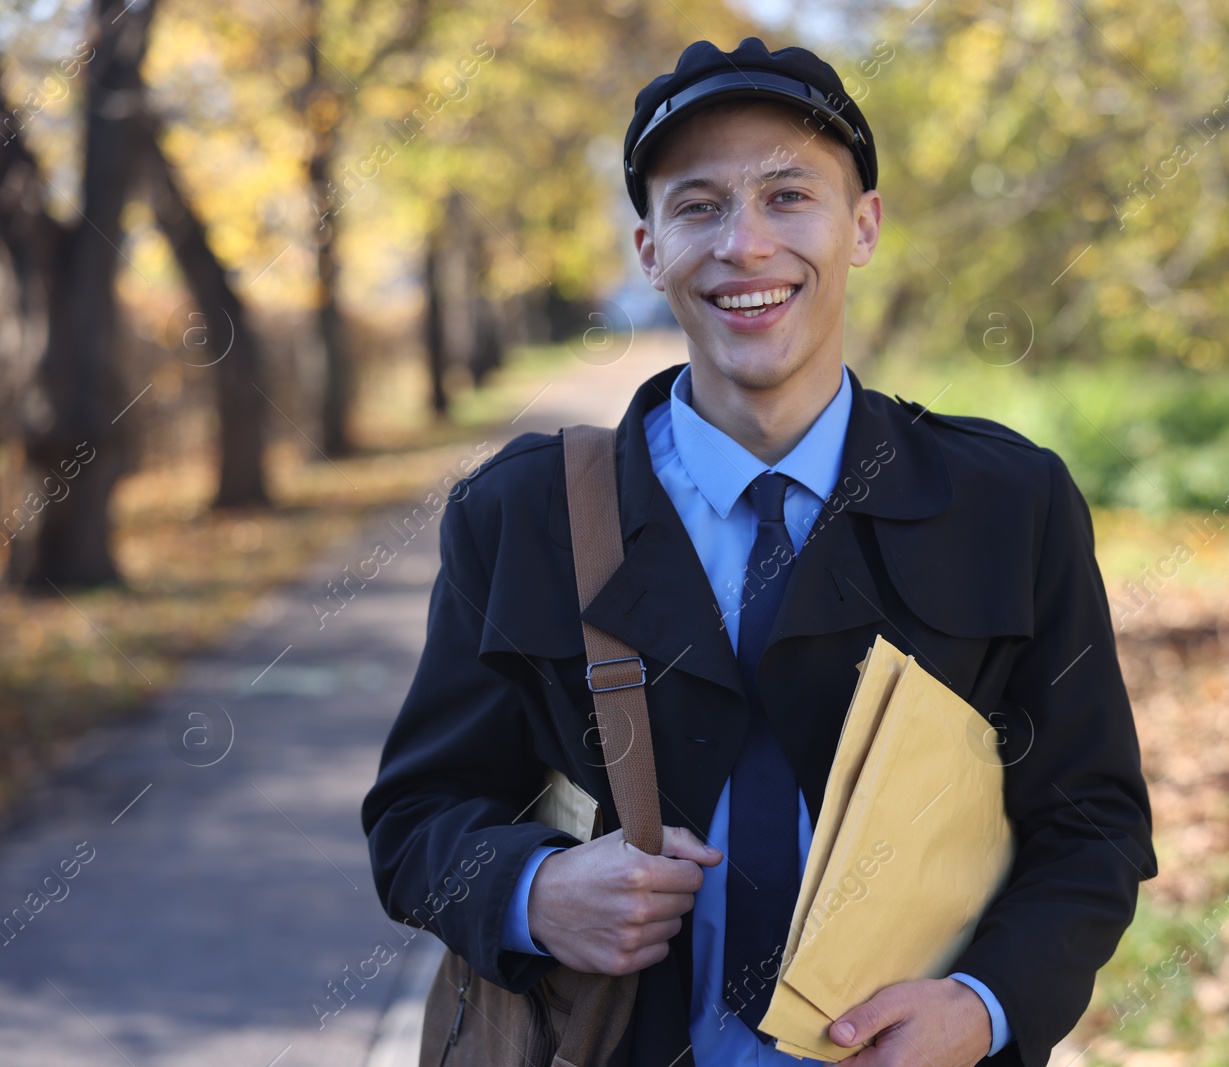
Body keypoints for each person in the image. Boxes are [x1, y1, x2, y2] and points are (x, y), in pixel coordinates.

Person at [362, 36, 1157, 1067]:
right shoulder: (522, 513)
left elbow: (1091, 820)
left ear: (860, 226)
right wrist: (533, 890)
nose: (745, 244)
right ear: (648, 247)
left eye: (789, 196)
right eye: (698, 205)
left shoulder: (1009, 502)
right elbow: (417, 817)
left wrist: (983, 1002)